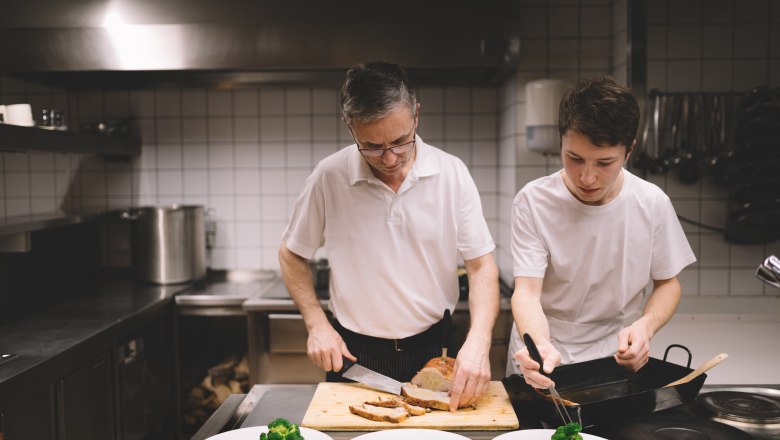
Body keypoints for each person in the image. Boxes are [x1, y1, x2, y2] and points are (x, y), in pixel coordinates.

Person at [279, 61, 499, 409]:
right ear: (350, 126)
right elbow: (291, 254)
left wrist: (479, 340)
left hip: (435, 351)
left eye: (400, 141)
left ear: (416, 116)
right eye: (373, 146)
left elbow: (481, 266)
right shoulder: (329, 176)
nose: (390, 157)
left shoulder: (451, 173)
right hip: (355, 355)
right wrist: (317, 325)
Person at [506, 76, 696, 390]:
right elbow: (527, 292)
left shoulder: (651, 203)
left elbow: (668, 283)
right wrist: (538, 345)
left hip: (614, 354)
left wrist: (645, 328)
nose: (588, 177)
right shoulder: (533, 201)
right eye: (574, 158)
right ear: (562, 141)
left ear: (629, 151)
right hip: (543, 350)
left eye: (605, 162)